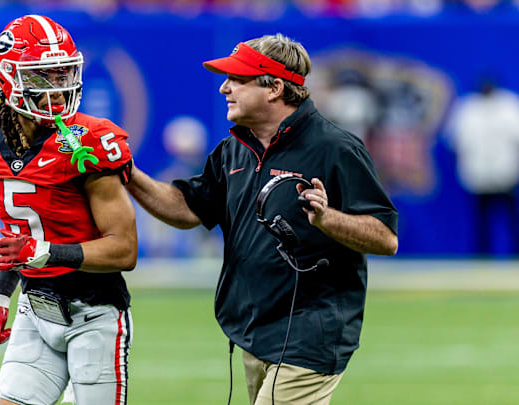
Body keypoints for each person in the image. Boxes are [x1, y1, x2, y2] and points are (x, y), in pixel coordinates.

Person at [125, 34, 398, 404]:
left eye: (237, 79)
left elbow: (385, 237)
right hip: (255, 328)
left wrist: (327, 219)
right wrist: (125, 172)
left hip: (311, 329)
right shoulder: (233, 150)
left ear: (274, 88)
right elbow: (186, 209)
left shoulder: (335, 148)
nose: (224, 88)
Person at [0, 15, 137, 405]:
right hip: (36, 308)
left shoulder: (89, 139)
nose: (59, 89)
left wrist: (45, 253)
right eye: (44, 77)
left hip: (93, 313)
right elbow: (18, 235)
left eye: (64, 74)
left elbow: (124, 249)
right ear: (9, 77)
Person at [446, 78, 519, 256]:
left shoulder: (509, 105)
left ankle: (515, 253)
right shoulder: (467, 108)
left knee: (512, 217)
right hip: (478, 175)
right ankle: (482, 256)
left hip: (506, 173)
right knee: (480, 219)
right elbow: (455, 140)